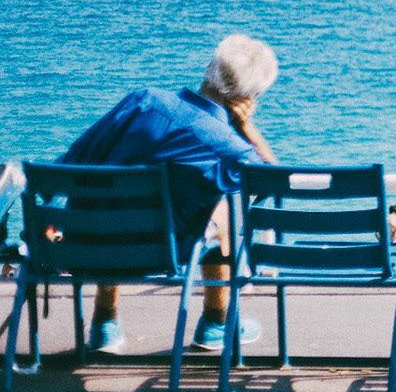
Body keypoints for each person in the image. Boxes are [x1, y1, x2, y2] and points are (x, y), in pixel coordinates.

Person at [58, 34, 280, 353]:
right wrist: (248, 129)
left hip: (85, 246)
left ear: (208, 69)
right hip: (162, 253)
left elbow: (73, 159)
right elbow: (272, 181)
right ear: (251, 96)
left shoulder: (143, 101)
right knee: (224, 203)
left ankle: (104, 322)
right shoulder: (224, 143)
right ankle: (216, 322)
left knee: (116, 183)